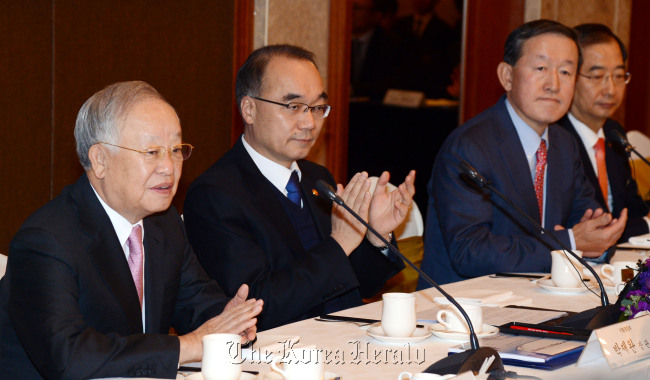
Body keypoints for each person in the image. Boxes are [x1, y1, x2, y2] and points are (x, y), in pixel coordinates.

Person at [0, 81, 263, 379]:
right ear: (100, 160)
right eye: (151, 151)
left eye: (176, 149)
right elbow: (68, 357)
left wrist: (228, 320)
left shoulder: (163, 224)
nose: (169, 167)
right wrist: (188, 346)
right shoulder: (46, 241)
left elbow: (194, 300)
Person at [184, 44, 415, 330]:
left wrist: (375, 235)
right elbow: (256, 307)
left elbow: (359, 285)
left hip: (345, 341)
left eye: (317, 108)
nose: (309, 123)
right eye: (293, 107)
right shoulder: (215, 195)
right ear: (249, 109)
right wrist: (340, 243)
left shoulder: (316, 178)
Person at [419, 20, 627, 286]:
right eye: (541, 68)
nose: (553, 84)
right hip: (463, 306)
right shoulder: (470, 147)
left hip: (541, 298)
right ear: (507, 76)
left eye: (565, 71)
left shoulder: (564, 144)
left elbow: (588, 223)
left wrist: (601, 236)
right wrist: (571, 242)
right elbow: (470, 252)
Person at [557, 24, 648, 242]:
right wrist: (647, 223)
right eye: (597, 76)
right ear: (569, 76)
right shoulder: (555, 139)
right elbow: (587, 228)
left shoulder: (613, 133)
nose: (610, 89)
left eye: (618, 75)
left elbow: (631, 208)